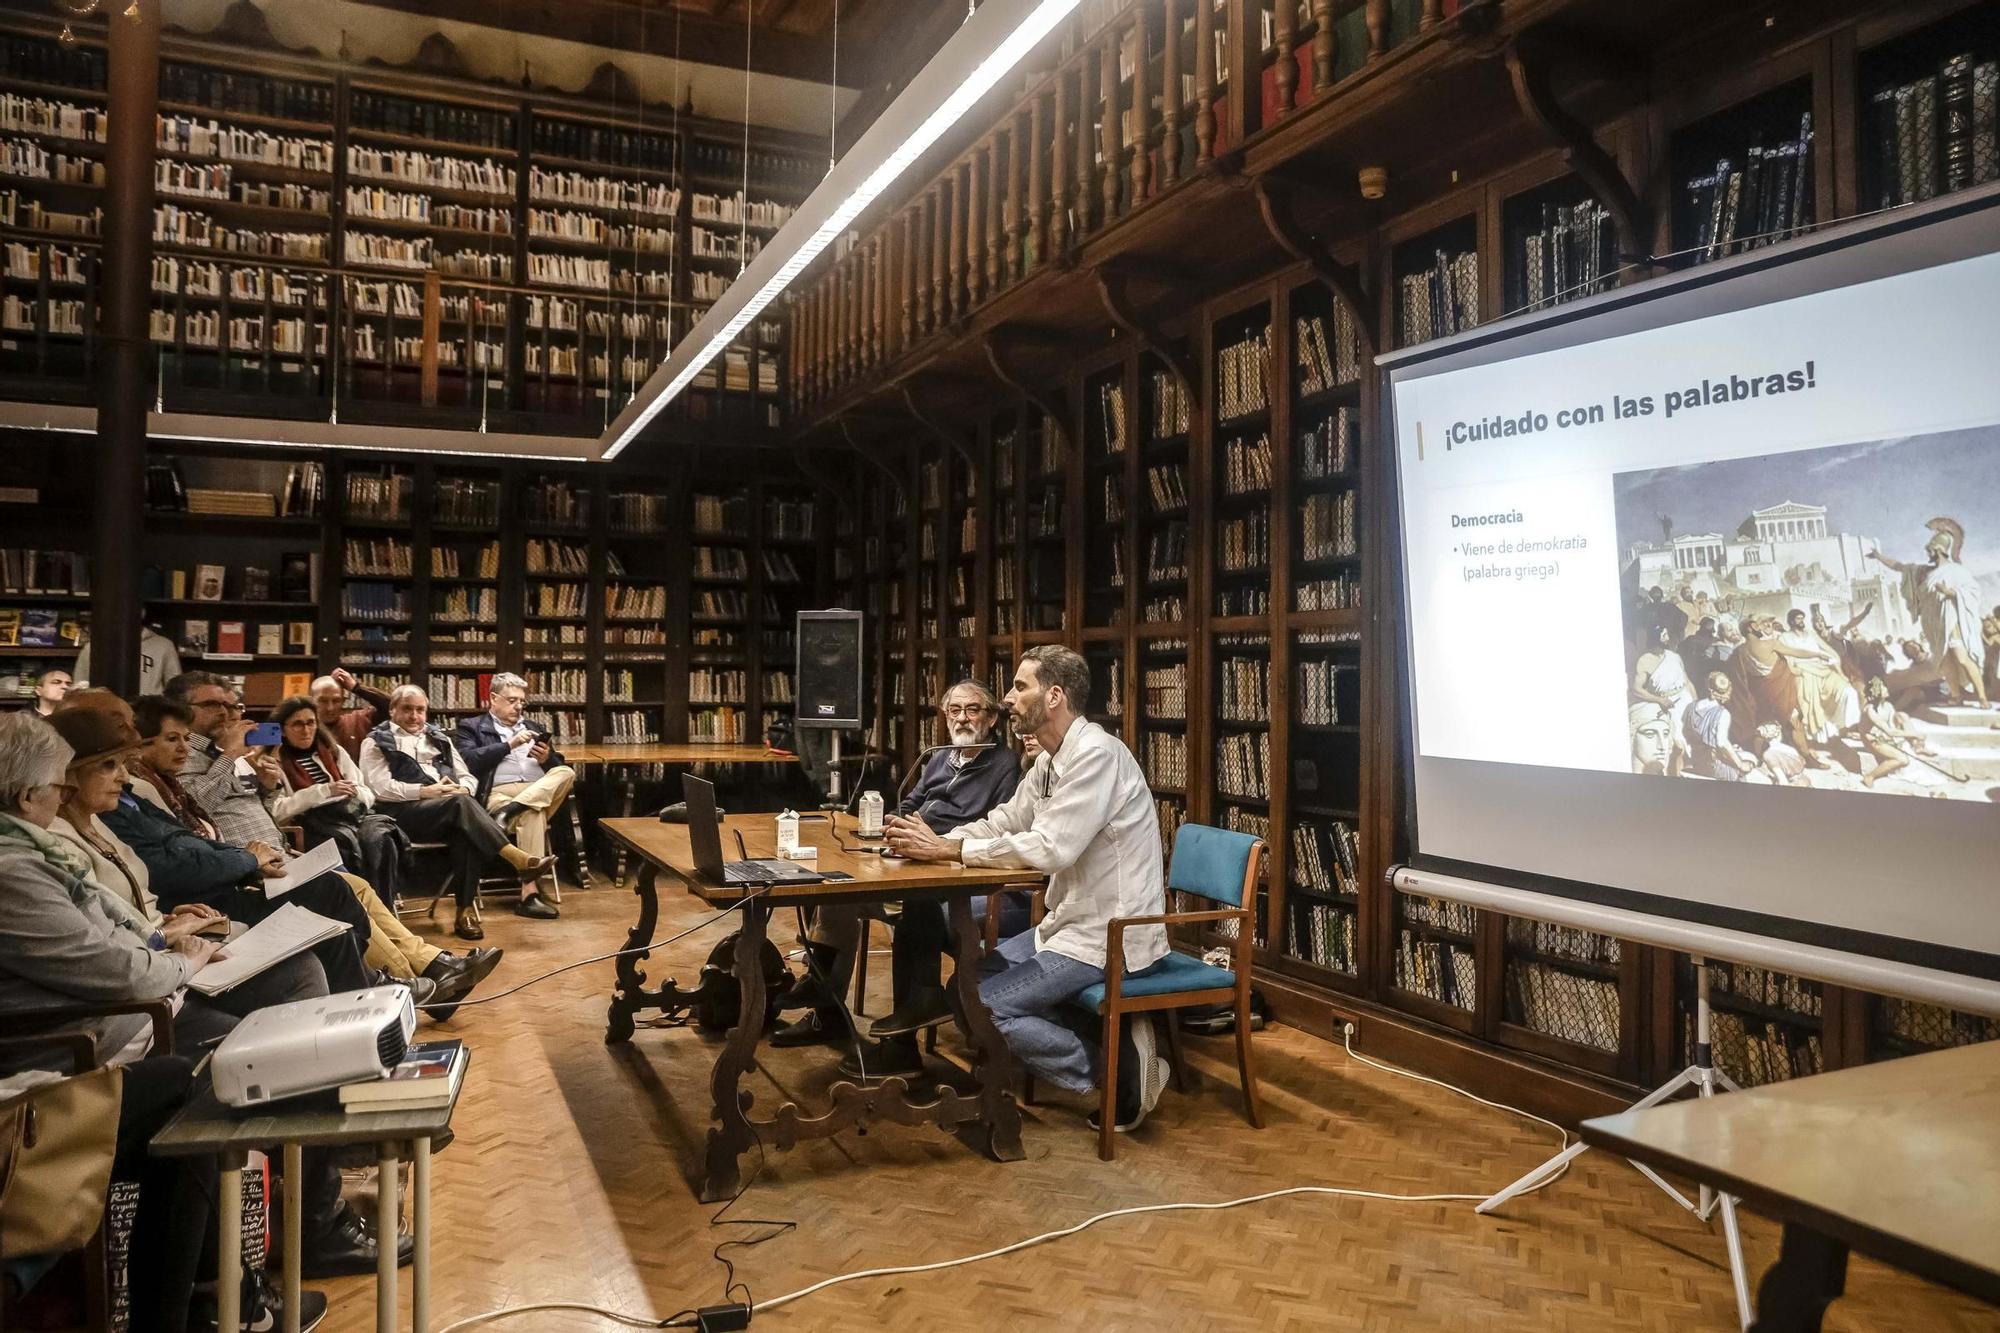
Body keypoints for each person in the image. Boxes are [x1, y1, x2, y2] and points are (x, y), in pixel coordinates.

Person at [0, 712, 399, 1292]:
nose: (67, 792)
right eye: (67, 779)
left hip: (141, 996)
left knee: (305, 969)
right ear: (29, 792)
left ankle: (307, 1202)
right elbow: (115, 967)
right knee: (250, 1050)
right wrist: (180, 956)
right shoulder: (22, 867)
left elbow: (125, 921)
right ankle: (238, 1271)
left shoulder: (54, 844)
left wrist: (168, 934)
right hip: (105, 1030)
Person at [886, 647, 1171, 1134]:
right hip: (1064, 925)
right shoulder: (1050, 761)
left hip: (1110, 933)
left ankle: (1113, 1072)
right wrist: (935, 842)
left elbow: (1050, 848)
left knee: (988, 1006)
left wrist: (949, 853)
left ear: (1055, 696)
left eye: (1020, 687)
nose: (1008, 697)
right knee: (961, 990)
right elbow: (1005, 820)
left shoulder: (1097, 756)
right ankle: (1110, 1043)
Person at [117, 693, 496, 1011]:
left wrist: (265, 788)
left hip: (270, 855)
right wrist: (298, 795)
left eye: (311, 723)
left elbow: (263, 809)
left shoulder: (317, 753)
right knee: (339, 886)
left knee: (355, 879)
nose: (229, 714)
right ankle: (420, 980)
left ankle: (430, 968)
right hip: (244, 869)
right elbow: (202, 822)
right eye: (216, 705)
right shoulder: (192, 768)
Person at [773, 681, 1023, 1066]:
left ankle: (901, 1049)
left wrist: (932, 842)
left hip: (948, 866)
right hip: (908, 853)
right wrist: (896, 827)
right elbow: (910, 802)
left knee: (913, 911)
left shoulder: (1004, 764)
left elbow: (996, 826)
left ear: (990, 718)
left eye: (973, 710)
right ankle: (824, 1000)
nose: (962, 718)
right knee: (839, 887)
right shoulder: (940, 757)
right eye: (954, 710)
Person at [359, 685, 556, 942]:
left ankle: (464, 912)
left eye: (420, 710)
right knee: (461, 805)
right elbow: (379, 788)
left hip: (446, 808)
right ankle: (517, 859)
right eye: (407, 709)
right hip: (402, 814)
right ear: (393, 710)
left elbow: (466, 776)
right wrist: (426, 792)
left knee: (466, 830)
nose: (414, 716)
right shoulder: (375, 740)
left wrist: (464, 787)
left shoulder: (439, 736)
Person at [269, 693, 410, 908]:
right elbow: (277, 811)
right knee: (339, 844)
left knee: (380, 838)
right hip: (311, 823)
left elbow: (367, 792)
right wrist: (324, 791)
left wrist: (354, 792)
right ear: (283, 729)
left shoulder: (334, 751)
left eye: (310, 723)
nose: (306, 730)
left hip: (352, 814)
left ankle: (383, 908)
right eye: (297, 724)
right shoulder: (274, 761)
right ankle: (358, 910)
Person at [452, 672, 579, 895]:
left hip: (534, 791)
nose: (519, 706)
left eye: (522, 701)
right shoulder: (471, 726)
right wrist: (508, 745)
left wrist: (546, 758)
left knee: (566, 772)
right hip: (498, 795)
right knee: (533, 812)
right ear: (493, 699)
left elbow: (555, 768)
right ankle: (530, 894)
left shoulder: (534, 726)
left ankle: (511, 811)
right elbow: (468, 761)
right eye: (512, 701)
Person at [1869, 519, 1991, 709]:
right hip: (1933, 622)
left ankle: (1982, 696)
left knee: (1960, 656)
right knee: (1944, 659)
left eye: (1930, 550)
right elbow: (1899, 566)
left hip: (1951, 619)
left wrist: (1950, 592)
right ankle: (1956, 695)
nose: (1928, 554)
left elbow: (1973, 591)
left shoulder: (1957, 571)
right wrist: (1878, 556)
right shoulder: (1924, 572)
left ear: (1939, 550)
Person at [1778, 608, 1859, 747]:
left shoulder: (1810, 634)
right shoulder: (1784, 638)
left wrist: (1840, 673)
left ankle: (1841, 727)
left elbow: (1829, 652)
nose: (1801, 621)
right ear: (1791, 621)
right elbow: (1786, 658)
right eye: (1798, 619)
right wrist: (1795, 670)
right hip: (1802, 671)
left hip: (1821, 668)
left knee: (1847, 691)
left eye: (1802, 618)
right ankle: (1818, 735)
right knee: (1808, 696)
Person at [1852, 676, 1937, 789]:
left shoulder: (1887, 705)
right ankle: (1870, 776)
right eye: (1883, 687)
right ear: (1876, 691)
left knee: (1902, 716)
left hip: (1882, 737)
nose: (1886, 689)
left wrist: (1895, 739)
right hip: (1872, 741)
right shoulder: (1871, 710)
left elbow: (1891, 727)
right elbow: (1890, 732)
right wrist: (1914, 734)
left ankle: (1918, 746)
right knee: (1902, 759)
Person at [1630, 626, 1692, 776]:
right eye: (1663, 635)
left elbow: (1687, 681)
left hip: (1685, 699)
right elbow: (1636, 689)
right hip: (1666, 704)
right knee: (1677, 744)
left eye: (1667, 635)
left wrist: (1694, 702)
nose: (1667, 638)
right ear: (1655, 637)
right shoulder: (1644, 660)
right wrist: (1659, 700)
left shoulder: (1674, 657)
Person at [73, 623, 183, 697]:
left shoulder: (163, 645)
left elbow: (175, 687)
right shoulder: (94, 647)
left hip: (150, 715)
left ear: (142, 612)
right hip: (105, 714)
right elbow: (79, 685)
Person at [1682, 672, 1755, 782]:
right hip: (1714, 767)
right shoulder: (1722, 713)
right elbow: (1721, 743)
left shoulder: (1691, 707)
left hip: (1697, 761)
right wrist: (1740, 765)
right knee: (1744, 774)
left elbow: (1687, 733)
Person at [312, 667, 393, 762]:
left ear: (343, 701)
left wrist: (356, 688)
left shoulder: (358, 721)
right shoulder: (306, 729)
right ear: (312, 700)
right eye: (323, 701)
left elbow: (393, 707)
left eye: (336, 701)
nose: (330, 707)